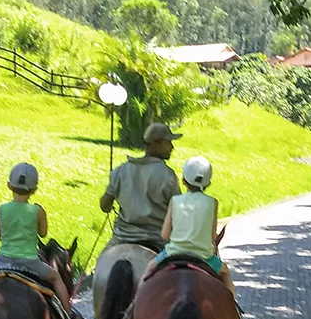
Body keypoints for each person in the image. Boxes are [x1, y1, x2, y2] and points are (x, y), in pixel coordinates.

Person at [0, 163, 85, 319]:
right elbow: (43, 233)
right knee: (55, 277)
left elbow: (0, 236)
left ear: (9, 186)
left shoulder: (1, 210)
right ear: (34, 190)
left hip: (2, 260)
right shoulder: (37, 211)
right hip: (30, 262)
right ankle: (68, 313)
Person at [139, 156, 236, 297]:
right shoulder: (212, 202)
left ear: (184, 180)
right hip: (204, 257)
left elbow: (164, 235)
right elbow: (212, 237)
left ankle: (135, 303)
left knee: (149, 268)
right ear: (208, 182)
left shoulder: (175, 200)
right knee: (226, 273)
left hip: (173, 253)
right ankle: (233, 309)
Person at [98, 122, 183, 252]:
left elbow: (105, 206)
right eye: (168, 142)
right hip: (157, 241)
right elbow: (178, 214)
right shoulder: (168, 176)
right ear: (155, 144)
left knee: (99, 269)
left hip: (122, 238)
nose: (172, 147)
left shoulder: (121, 171)